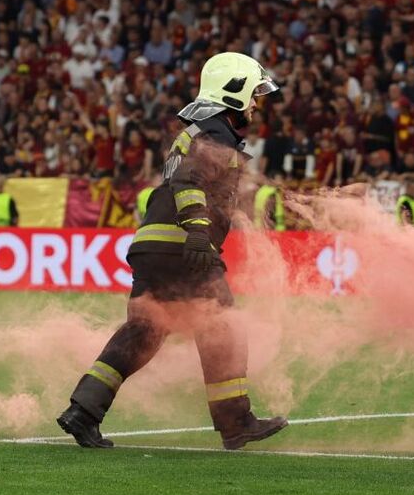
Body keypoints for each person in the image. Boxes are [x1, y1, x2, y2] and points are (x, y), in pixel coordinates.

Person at [58, 52, 288, 451]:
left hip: (153, 246)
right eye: (253, 95)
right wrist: (199, 231)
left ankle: (84, 410)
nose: (255, 104)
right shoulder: (214, 133)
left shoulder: (203, 131)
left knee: (144, 332)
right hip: (184, 246)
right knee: (224, 327)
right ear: (233, 92)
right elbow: (189, 181)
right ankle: (236, 423)